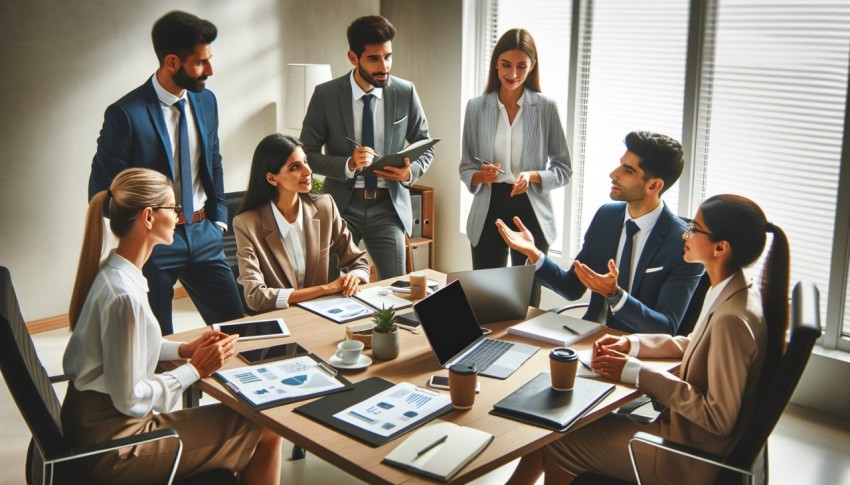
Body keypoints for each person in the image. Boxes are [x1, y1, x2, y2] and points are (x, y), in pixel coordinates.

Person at [507, 194, 790, 485]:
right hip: (679, 436)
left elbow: (718, 418)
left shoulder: (733, 318)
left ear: (721, 247)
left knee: (557, 440)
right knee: (554, 427)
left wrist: (636, 372)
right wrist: (633, 344)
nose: (686, 233)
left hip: (684, 457)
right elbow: (694, 342)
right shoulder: (735, 290)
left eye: (695, 227)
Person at [62, 168, 282, 484]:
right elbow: (132, 399)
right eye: (174, 208)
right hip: (118, 448)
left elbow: (127, 347)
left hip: (100, 427)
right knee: (266, 427)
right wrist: (195, 368)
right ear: (149, 217)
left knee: (252, 422)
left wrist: (183, 349)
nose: (181, 217)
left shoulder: (116, 274)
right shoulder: (124, 297)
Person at [88, 11, 243, 335]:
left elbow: (213, 161)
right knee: (158, 343)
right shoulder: (125, 115)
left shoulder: (206, 101)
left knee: (237, 329)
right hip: (154, 243)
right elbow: (101, 193)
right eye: (201, 63)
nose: (210, 71)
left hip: (205, 233)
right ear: (172, 62)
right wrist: (141, 234)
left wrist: (218, 218)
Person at [497, 131, 703, 334]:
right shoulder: (606, 217)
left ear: (654, 185)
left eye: (628, 170)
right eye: (620, 164)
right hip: (589, 338)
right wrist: (533, 253)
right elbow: (571, 287)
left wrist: (614, 294)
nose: (614, 174)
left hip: (637, 351)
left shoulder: (682, 242)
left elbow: (666, 326)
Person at [300, 15, 434, 280]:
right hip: (340, 207)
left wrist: (409, 173)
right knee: (327, 287)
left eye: (388, 56)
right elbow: (307, 155)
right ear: (353, 57)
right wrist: (348, 164)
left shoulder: (405, 92)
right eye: (374, 58)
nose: (384, 66)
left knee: (396, 287)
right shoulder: (325, 95)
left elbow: (426, 145)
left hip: (388, 206)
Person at [459, 28, 572, 307]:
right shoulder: (476, 108)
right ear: (496, 63)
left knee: (526, 297)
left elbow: (564, 168)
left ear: (532, 67)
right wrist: (479, 175)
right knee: (487, 296)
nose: (513, 74)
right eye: (506, 65)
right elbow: (465, 166)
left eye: (522, 66)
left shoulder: (546, 108)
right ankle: (488, 350)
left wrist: (533, 175)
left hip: (530, 208)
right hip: (489, 207)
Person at [233, 134, 370, 313]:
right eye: (295, 167)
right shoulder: (246, 224)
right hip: (281, 319)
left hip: (322, 314)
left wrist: (354, 277)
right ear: (272, 178)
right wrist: (326, 289)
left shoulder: (324, 207)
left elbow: (357, 260)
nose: (308, 171)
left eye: (305, 161)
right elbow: (256, 296)